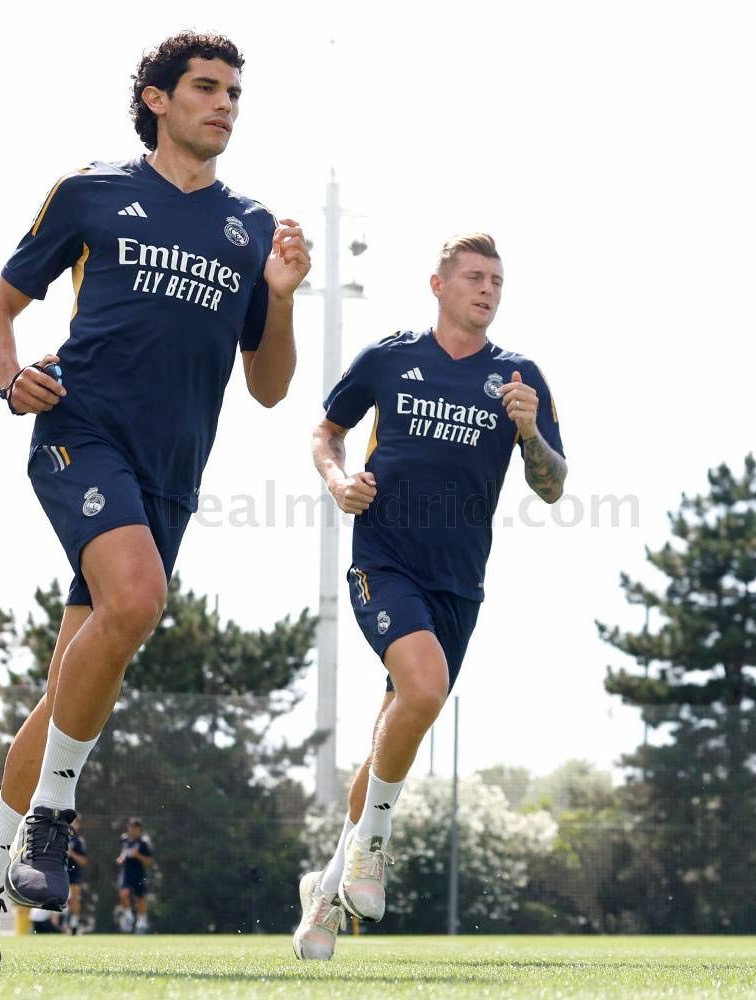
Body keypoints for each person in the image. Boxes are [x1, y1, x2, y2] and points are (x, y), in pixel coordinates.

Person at [0, 30, 310, 970]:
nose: (224, 105)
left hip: (169, 477)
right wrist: (8, 378)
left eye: (234, 93)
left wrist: (283, 298)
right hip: (79, 433)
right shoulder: (90, 191)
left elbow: (269, 388)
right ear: (156, 99)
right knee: (138, 599)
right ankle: (53, 815)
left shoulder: (252, 226)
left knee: (71, 680)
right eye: (206, 88)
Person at [292, 234, 568, 960]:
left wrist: (529, 431)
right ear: (438, 285)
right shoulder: (390, 358)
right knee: (423, 689)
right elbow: (326, 431)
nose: (487, 289)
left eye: (497, 281)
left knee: (399, 724)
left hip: (459, 583)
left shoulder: (519, 377)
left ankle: (323, 894)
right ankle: (373, 845)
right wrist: (338, 481)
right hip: (385, 562)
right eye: (474, 277)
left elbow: (552, 485)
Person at [116, 817, 155, 934]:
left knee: (140, 898)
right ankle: (129, 916)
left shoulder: (144, 842)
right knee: (123, 893)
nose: (132, 830)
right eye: (131, 828)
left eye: (135, 828)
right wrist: (121, 858)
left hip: (139, 874)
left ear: (139, 829)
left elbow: (149, 861)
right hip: (127, 873)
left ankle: (142, 921)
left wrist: (138, 855)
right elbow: (124, 852)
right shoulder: (125, 840)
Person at [65, 814, 88, 934]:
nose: (73, 825)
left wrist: (72, 854)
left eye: (76, 823)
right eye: (71, 822)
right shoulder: (61, 837)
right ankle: (64, 923)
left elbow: (83, 861)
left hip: (74, 873)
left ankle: (74, 923)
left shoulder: (79, 841)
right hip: (60, 872)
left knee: (74, 899)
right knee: (63, 899)